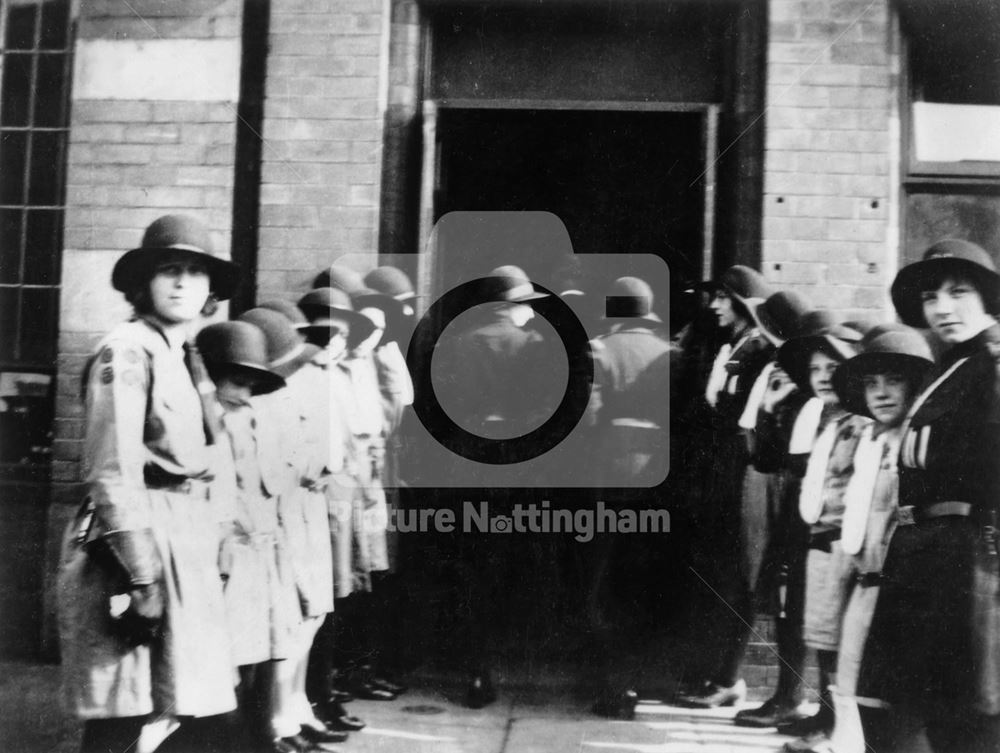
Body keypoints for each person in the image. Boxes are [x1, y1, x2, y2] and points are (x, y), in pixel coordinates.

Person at [56, 214, 240, 753]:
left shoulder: (186, 355)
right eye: (169, 270)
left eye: (196, 273)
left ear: (210, 290)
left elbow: (211, 455)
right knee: (123, 712)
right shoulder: (127, 350)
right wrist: (142, 579)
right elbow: (111, 471)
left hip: (184, 541)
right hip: (133, 548)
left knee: (182, 710)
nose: (183, 283)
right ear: (144, 283)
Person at [858, 239, 1000, 753]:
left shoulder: (992, 362)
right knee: (899, 704)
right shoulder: (949, 366)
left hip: (968, 559)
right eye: (930, 298)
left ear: (985, 297)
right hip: (922, 553)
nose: (942, 307)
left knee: (964, 718)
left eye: (958, 292)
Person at [804, 324, 932, 753]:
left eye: (894, 380)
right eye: (871, 383)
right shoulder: (872, 439)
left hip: (903, 592)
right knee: (857, 692)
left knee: (901, 711)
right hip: (868, 583)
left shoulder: (917, 444)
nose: (880, 393)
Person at [690, 290, 814, 728]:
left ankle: (782, 692)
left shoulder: (791, 376)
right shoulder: (775, 366)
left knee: (766, 583)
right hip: (759, 478)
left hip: (776, 486)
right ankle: (732, 677)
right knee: (753, 578)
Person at [678, 265, 773, 708]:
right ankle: (715, 673)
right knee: (718, 574)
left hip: (740, 476)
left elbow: (745, 422)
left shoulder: (758, 351)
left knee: (738, 575)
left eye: (723, 298)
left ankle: (729, 677)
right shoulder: (733, 346)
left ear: (744, 302)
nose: (714, 305)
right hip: (718, 474)